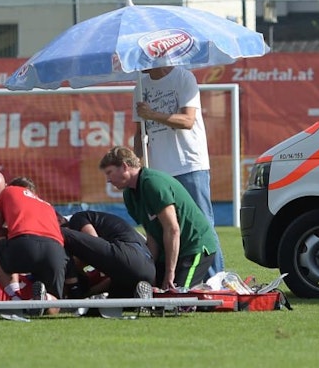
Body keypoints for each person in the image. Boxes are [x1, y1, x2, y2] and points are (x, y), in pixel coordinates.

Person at [133, 66, 223, 276]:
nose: (140, 63)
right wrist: (138, 164)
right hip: (158, 171)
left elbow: (188, 120)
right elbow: (139, 132)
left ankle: (216, 280)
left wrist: (152, 114)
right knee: (167, 228)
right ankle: (181, 279)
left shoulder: (183, 77)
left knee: (202, 225)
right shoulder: (140, 85)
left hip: (189, 164)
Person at [100, 146, 218, 291]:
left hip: (193, 246)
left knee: (177, 297)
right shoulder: (129, 195)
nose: (108, 180)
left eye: (109, 173)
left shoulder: (153, 183)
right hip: (170, 250)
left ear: (124, 166)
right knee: (148, 288)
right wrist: (151, 269)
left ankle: (212, 291)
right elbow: (152, 234)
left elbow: (172, 229)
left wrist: (170, 272)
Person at [0, 176, 67, 312]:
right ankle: (46, 299)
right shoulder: (47, 205)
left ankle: (15, 297)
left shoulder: (9, 191)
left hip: (26, 245)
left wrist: (9, 231)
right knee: (55, 302)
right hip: (56, 251)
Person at [61, 210, 156, 299]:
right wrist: (88, 294)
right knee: (109, 305)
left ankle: (74, 294)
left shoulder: (78, 218)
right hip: (147, 271)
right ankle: (139, 297)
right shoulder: (110, 227)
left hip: (127, 254)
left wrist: (72, 272)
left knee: (62, 233)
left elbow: (93, 243)